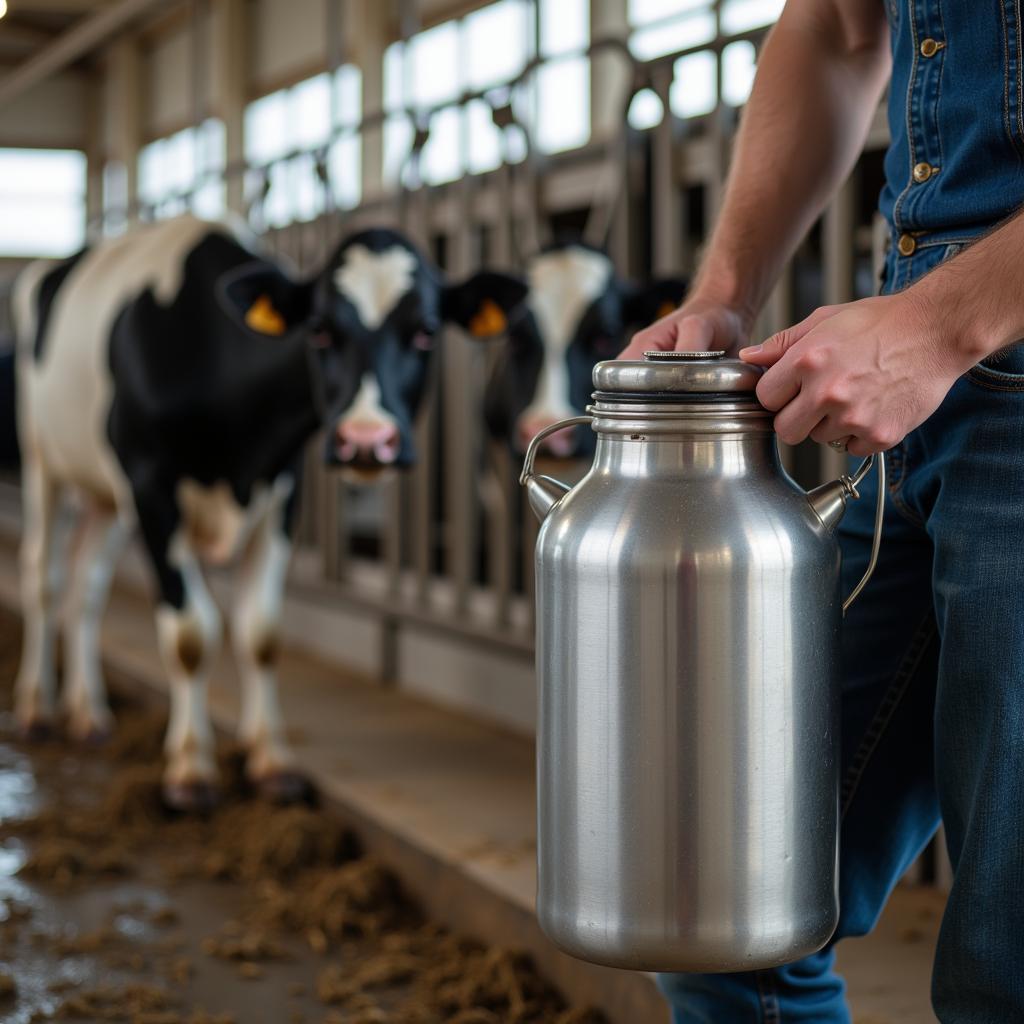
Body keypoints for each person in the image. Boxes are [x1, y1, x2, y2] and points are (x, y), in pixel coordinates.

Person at [620, 0, 1024, 1021]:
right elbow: (835, 29)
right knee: (721, 909)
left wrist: (937, 325)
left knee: (1003, 973)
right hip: (906, 397)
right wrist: (723, 289)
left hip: (947, 342)